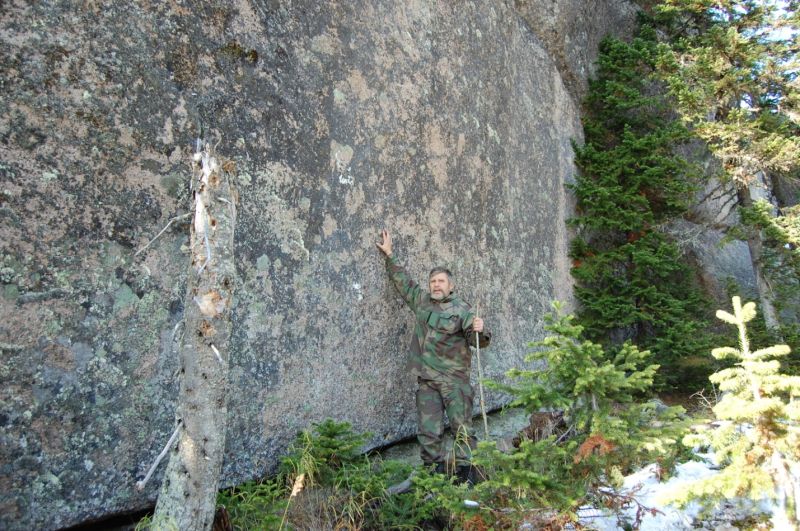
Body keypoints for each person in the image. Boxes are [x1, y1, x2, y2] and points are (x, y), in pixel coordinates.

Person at [376, 229, 491, 481]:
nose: (435, 285)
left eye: (440, 281)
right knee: (429, 433)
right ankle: (433, 479)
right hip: (427, 382)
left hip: (454, 383)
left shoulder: (463, 310)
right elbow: (403, 282)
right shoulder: (422, 301)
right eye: (432, 282)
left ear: (451, 285)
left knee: (462, 431)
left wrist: (481, 330)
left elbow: (477, 342)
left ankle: (466, 478)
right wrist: (390, 255)